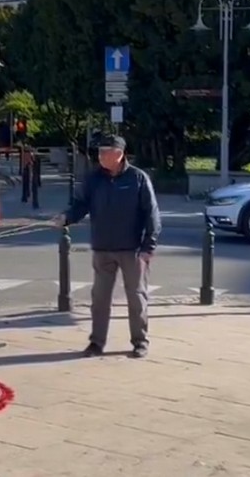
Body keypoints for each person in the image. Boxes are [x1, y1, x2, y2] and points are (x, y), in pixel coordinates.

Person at [51, 134, 161, 358]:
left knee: (137, 297)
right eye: (99, 151)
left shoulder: (138, 178)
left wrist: (148, 246)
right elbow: (80, 205)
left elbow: (152, 214)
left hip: (133, 250)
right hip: (102, 248)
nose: (100, 156)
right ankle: (96, 343)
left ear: (119, 154)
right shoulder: (93, 179)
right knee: (99, 299)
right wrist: (66, 217)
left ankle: (140, 341)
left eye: (105, 151)